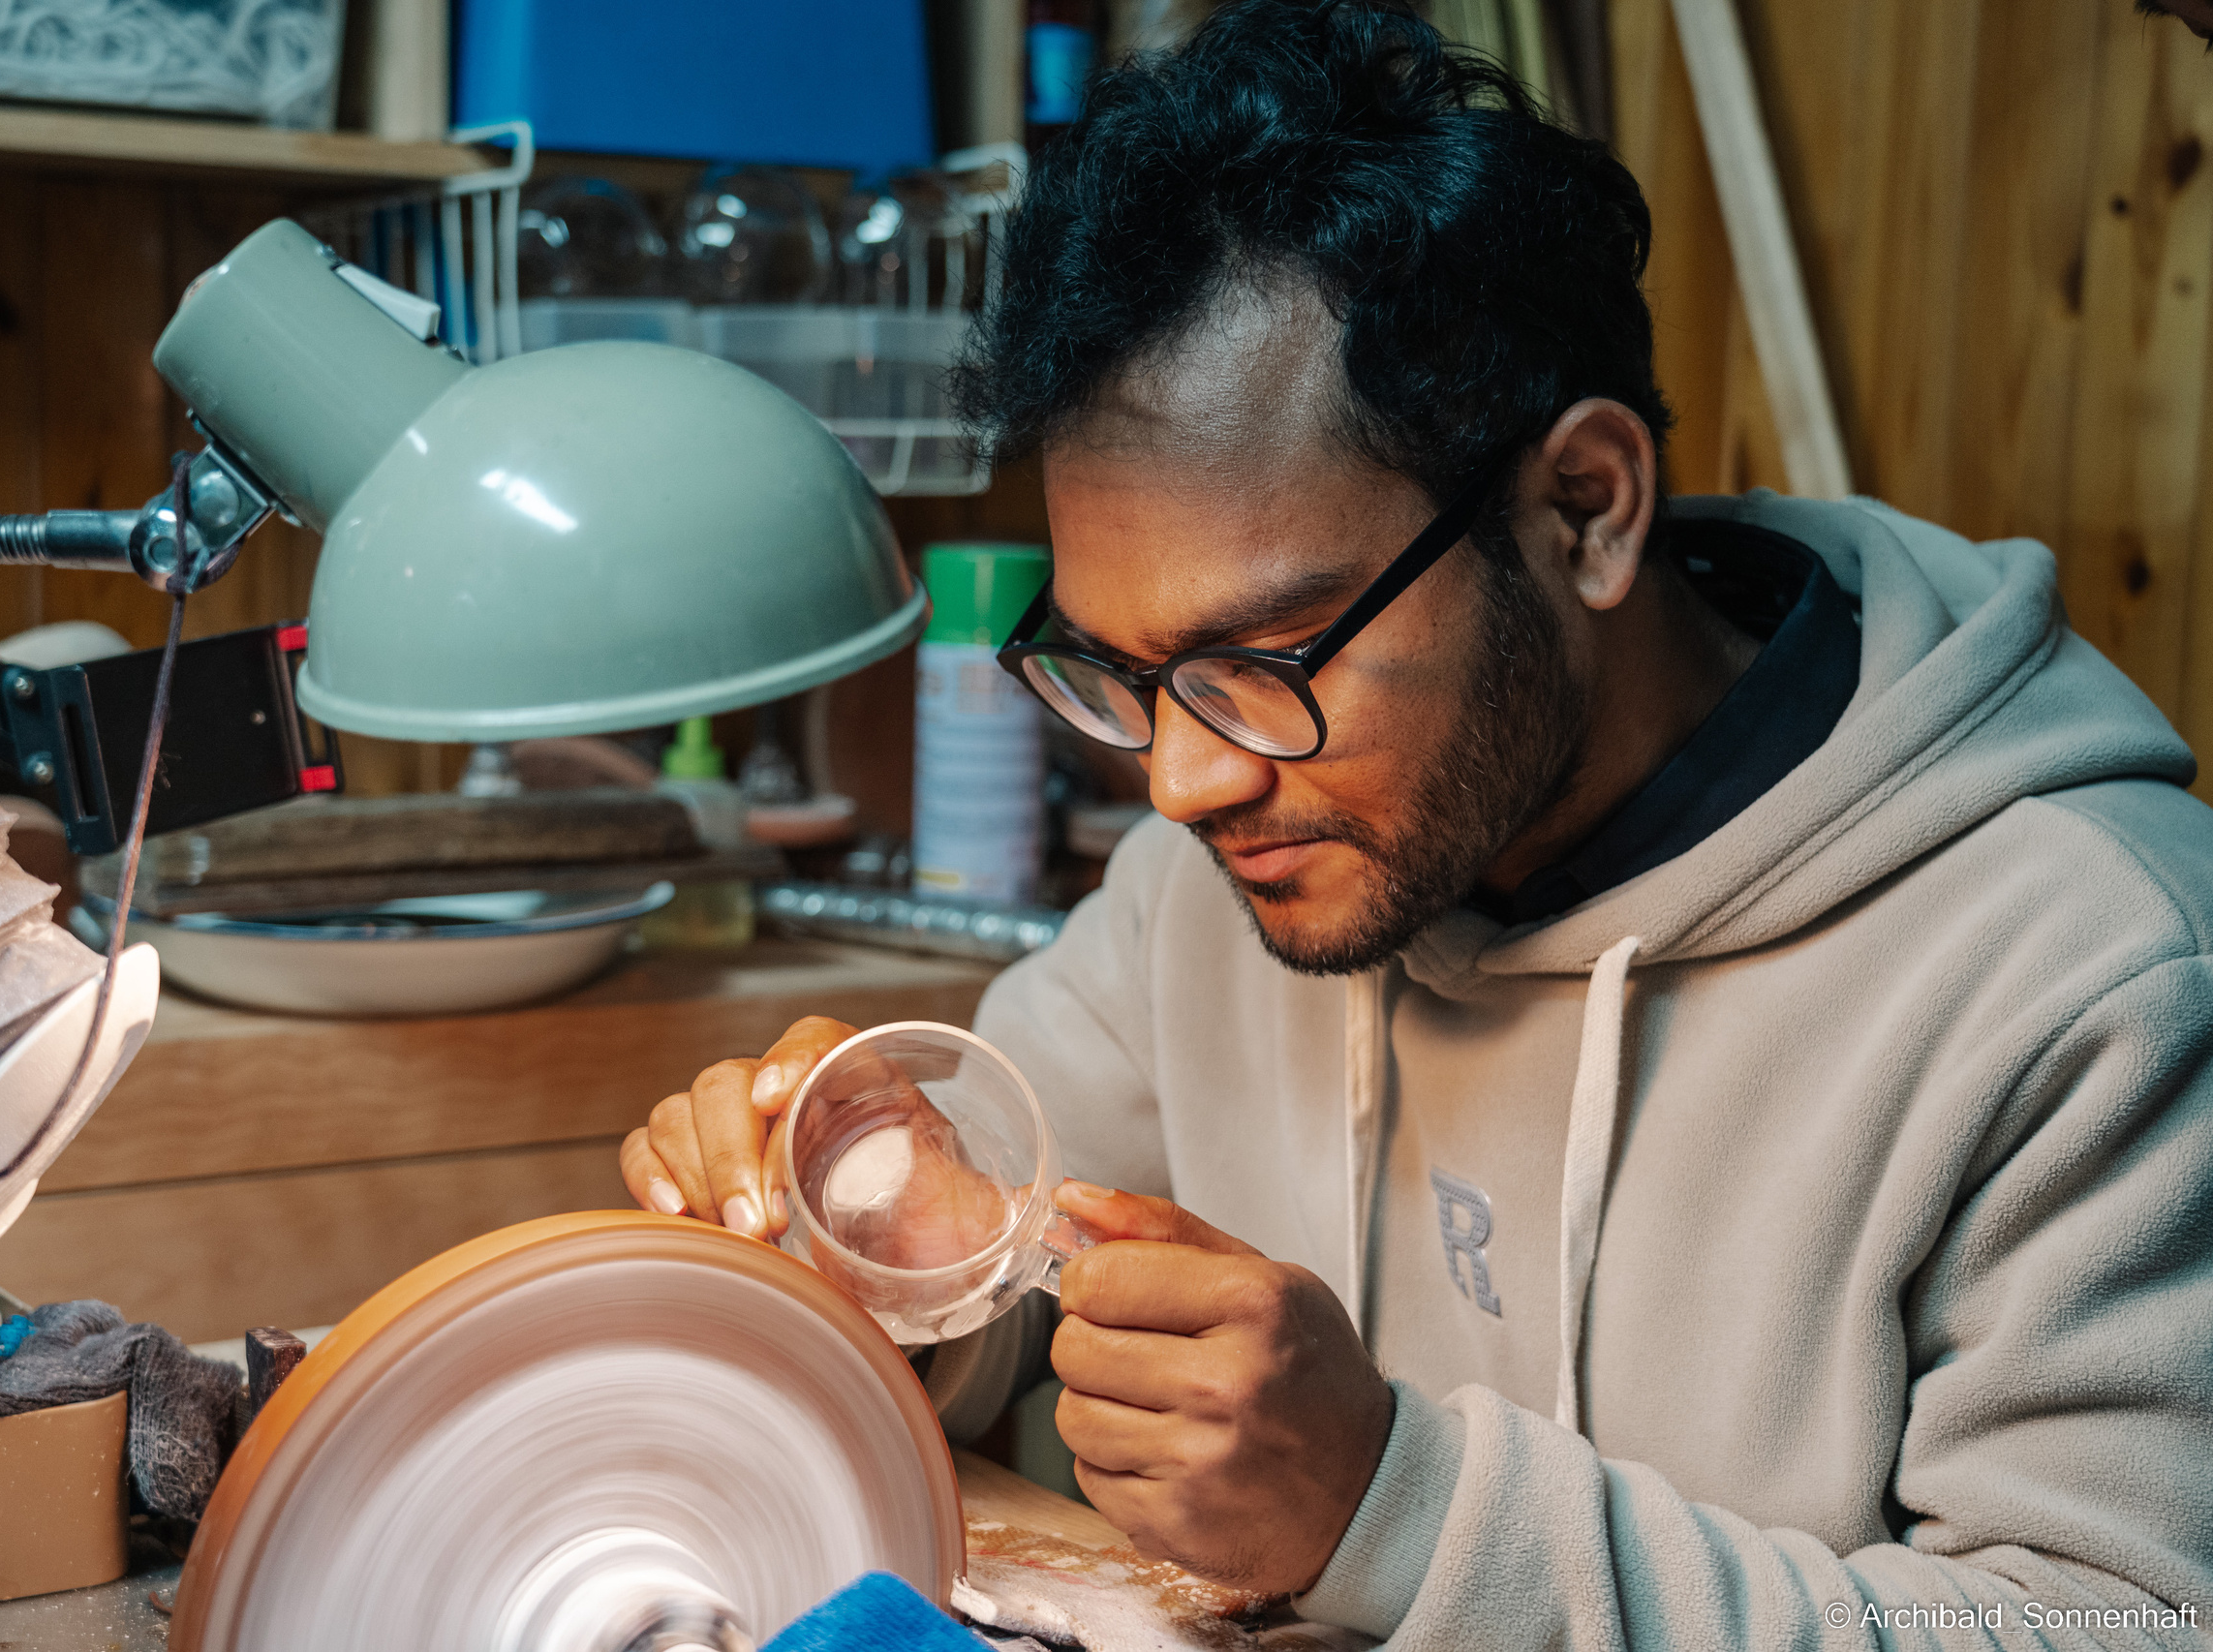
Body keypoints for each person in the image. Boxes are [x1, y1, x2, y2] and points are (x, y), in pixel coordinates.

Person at [620, 3, 2213, 1642]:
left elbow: (2120, 1619)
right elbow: (1007, 1305)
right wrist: (885, 1254)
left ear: (1585, 506)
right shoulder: (1242, 851)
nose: (1181, 781)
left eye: (1263, 659)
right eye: (1124, 671)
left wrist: (1391, 1505)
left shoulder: (2094, 969)